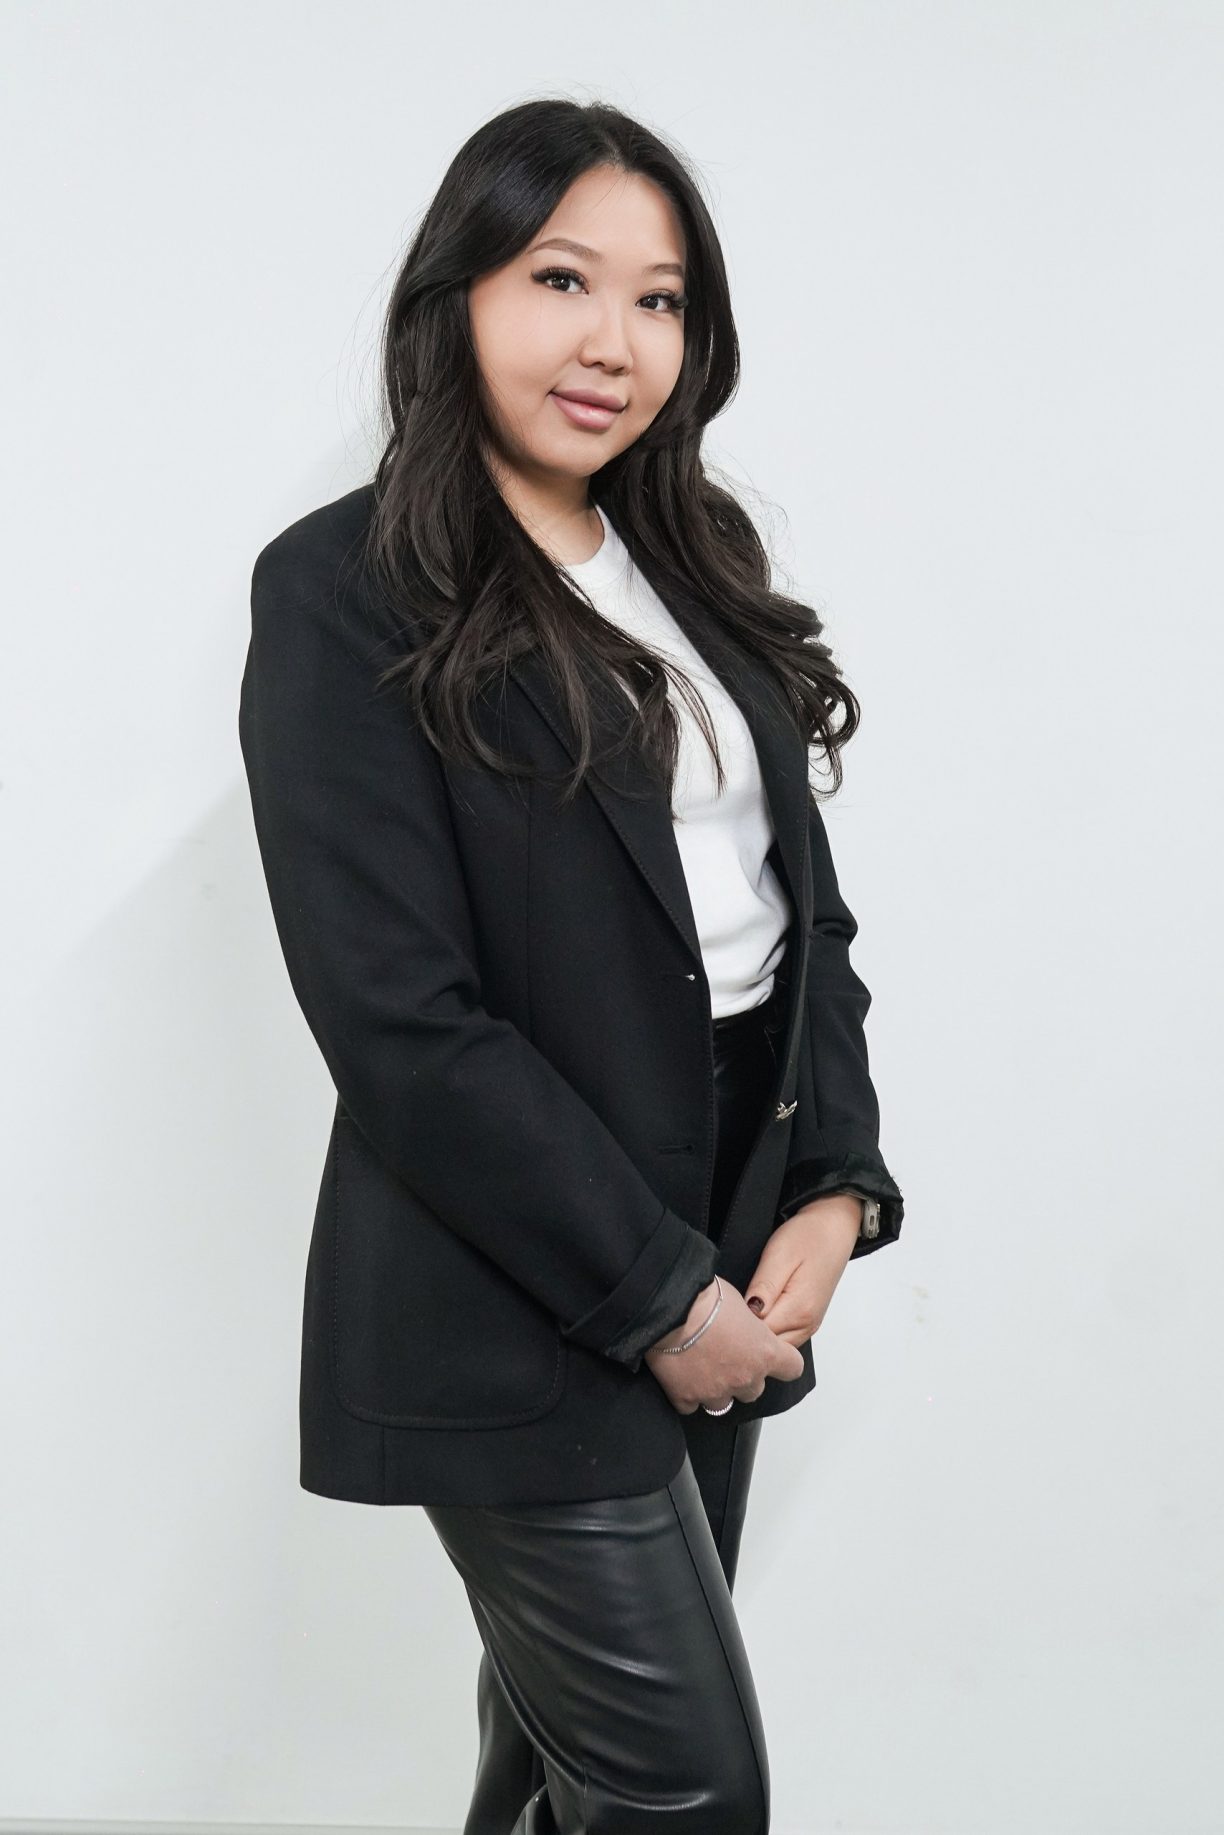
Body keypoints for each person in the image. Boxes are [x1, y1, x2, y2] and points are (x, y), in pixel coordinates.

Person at [239, 97, 905, 1835]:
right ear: (457, 293)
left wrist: (836, 1183)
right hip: (521, 1278)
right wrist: (658, 1298)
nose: (614, 342)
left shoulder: (697, 565)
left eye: (661, 300)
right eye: (560, 278)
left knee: (561, 1770)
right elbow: (401, 1023)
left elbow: (801, 915)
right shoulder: (341, 591)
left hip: (732, 1231)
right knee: (684, 1792)